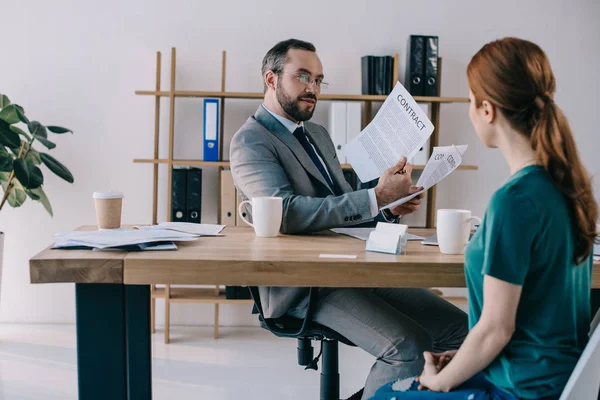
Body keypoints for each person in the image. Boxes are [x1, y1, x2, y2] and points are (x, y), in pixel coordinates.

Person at [230, 39, 468, 400]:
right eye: (303, 77)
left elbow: (341, 206)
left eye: (319, 80)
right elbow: (286, 213)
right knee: (409, 348)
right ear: (271, 79)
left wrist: (388, 205)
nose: (313, 88)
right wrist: (375, 197)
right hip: (306, 284)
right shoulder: (250, 140)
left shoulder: (319, 135)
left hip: (354, 267)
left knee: (462, 330)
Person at [370, 37, 599, 400]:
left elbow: (495, 329)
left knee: (387, 395)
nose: (471, 110)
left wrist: (439, 382)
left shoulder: (515, 200)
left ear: (487, 109)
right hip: (548, 378)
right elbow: (532, 317)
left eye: (470, 101)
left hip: (520, 389)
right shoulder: (565, 186)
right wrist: (462, 360)